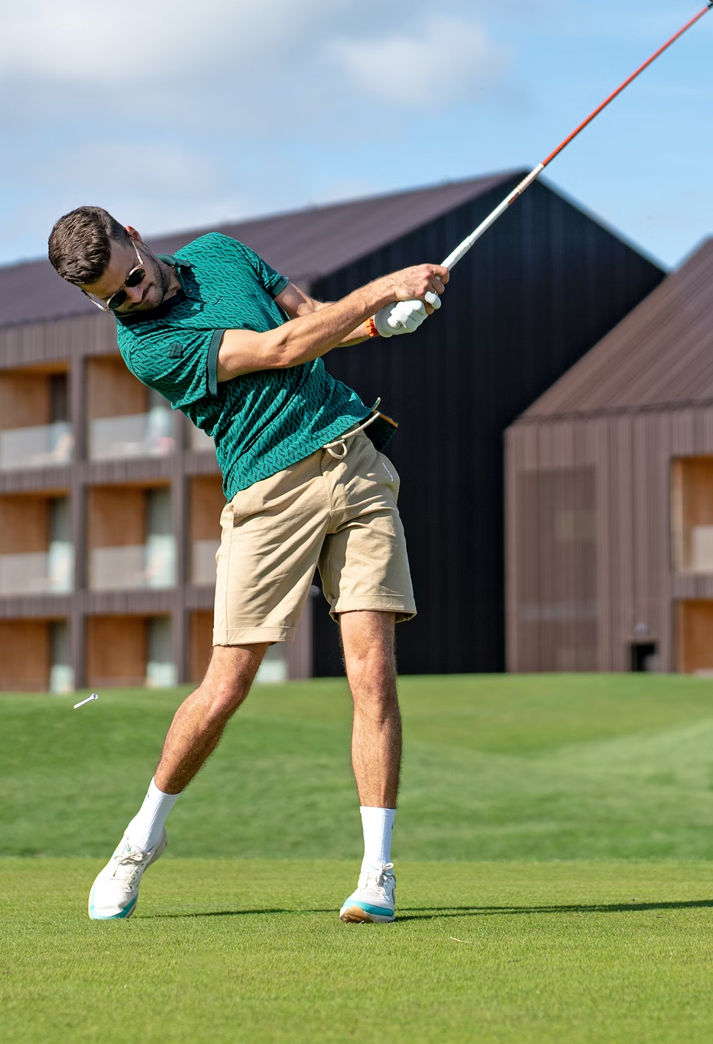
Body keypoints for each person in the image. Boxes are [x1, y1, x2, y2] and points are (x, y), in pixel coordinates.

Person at [47, 206, 448, 923]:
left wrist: (381, 323)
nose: (132, 298)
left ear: (135, 235)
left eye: (132, 279)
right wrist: (386, 289)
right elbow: (283, 348)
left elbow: (315, 318)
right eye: (111, 298)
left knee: (372, 672)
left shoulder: (224, 253)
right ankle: (142, 837)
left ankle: (376, 872)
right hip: (267, 496)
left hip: (354, 463)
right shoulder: (149, 346)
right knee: (226, 683)